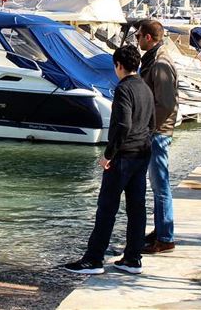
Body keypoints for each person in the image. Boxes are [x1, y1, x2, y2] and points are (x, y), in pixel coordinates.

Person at [63, 45, 155, 275]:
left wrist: (108, 155)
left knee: (106, 208)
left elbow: (123, 125)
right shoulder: (145, 87)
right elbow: (152, 123)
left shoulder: (124, 89)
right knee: (137, 208)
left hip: (122, 157)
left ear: (119, 66)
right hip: (142, 154)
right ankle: (133, 258)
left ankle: (93, 260)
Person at [136, 19, 179, 254]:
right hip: (156, 131)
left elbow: (166, 103)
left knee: (161, 185)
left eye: (138, 36)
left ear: (148, 38)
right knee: (157, 184)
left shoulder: (160, 63)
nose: (137, 40)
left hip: (158, 132)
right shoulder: (154, 59)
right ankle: (160, 230)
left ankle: (165, 237)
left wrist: (150, 128)